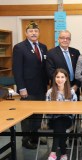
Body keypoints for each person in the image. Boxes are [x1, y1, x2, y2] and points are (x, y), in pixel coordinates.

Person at [12, 21, 48, 149]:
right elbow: (17, 70)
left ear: (39, 33)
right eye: (31, 31)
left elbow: (44, 68)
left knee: (38, 114)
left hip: (41, 88)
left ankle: (35, 137)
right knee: (27, 116)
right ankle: (26, 140)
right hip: (27, 89)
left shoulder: (43, 47)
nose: (34, 33)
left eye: (36, 31)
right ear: (26, 33)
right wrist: (21, 88)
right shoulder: (19, 47)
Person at [46, 68, 77, 160]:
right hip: (53, 119)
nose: (60, 79)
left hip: (67, 120)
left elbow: (74, 110)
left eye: (62, 77)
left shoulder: (71, 92)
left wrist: (62, 111)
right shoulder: (50, 92)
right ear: (54, 78)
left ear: (66, 78)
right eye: (57, 77)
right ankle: (63, 153)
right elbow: (47, 110)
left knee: (60, 123)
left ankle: (53, 153)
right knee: (59, 124)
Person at [47, 30, 81, 98]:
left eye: (68, 38)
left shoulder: (76, 52)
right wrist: (62, 86)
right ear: (58, 39)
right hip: (58, 89)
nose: (65, 40)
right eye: (62, 38)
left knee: (74, 108)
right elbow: (50, 72)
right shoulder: (51, 53)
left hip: (74, 88)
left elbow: (79, 70)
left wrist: (76, 85)